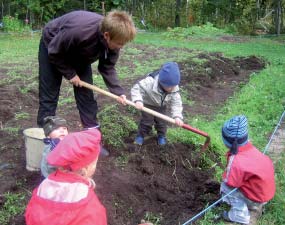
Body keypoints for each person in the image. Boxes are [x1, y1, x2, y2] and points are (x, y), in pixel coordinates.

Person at [37, 10, 136, 128]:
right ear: (106, 35)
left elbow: (107, 67)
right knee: (49, 93)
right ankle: (44, 134)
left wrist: (118, 92)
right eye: (119, 43)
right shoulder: (78, 32)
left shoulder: (114, 39)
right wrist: (70, 74)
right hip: (53, 45)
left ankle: (91, 131)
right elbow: (54, 52)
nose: (121, 47)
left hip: (80, 53)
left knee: (86, 94)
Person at [25, 128, 107, 225]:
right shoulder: (89, 205)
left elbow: (30, 215)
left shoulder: (43, 187)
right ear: (85, 170)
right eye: (95, 163)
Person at [220, 115, 275, 224]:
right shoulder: (252, 150)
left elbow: (229, 182)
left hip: (257, 198)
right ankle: (256, 205)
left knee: (225, 188)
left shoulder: (236, 161)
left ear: (228, 142)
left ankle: (239, 215)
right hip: (266, 194)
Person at [131, 62, 184, 146]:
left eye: (173, 86)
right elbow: (136, 89)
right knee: (146, 122)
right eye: (168, 86)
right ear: (161, 81)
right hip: (147, 105)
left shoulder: (174, 88)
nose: (171, 89)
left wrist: (177, 116)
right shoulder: (149, 82)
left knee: (162, 123)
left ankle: (161, 136)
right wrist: (138, 100)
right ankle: (140, 136)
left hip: (161, 106)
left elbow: (176, 103)